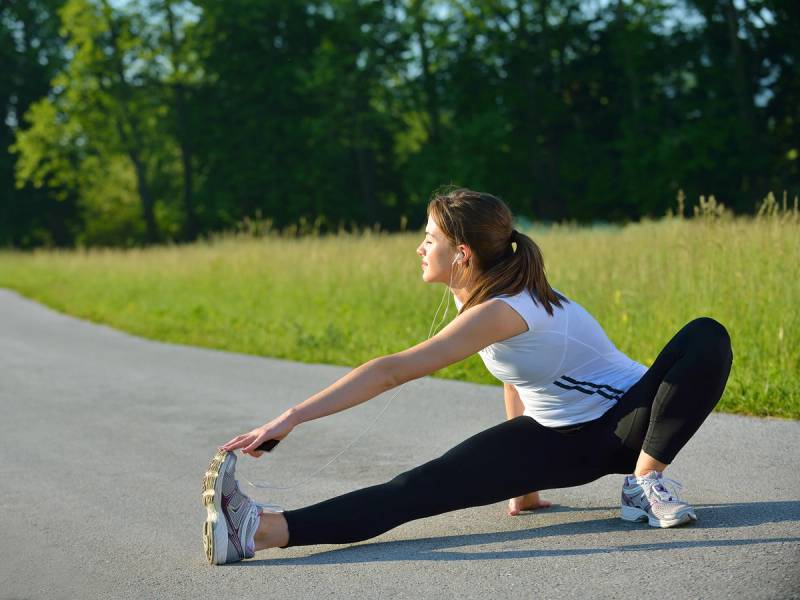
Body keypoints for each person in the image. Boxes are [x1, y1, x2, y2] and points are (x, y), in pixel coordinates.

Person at [201, 188, 733, 565]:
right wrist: (523, 486)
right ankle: (258, 531)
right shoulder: (490, 303)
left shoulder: (501, 308)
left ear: (462, 253)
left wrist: (292, 416)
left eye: (428, 237)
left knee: (706, 333)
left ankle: (645, 480)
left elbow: (390, 372)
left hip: (627, 424)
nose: (419, 247)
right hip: (562, 440)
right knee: (414, 489)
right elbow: (518, 377)